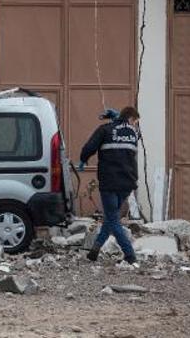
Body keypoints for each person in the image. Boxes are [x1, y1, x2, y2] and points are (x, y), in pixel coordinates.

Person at [78, 106, 140, 265]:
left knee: (113, 219)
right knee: (110, 218)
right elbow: (123, 129)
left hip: (109, 183)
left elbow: (89, 148)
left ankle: (130, 255)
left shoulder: (104, 130)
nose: (135, 124)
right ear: (131, 119)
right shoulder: (134, 133)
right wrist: (119, 118)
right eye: (135, 121)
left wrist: (83, 159)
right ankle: (95, 250)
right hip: (127, 184)